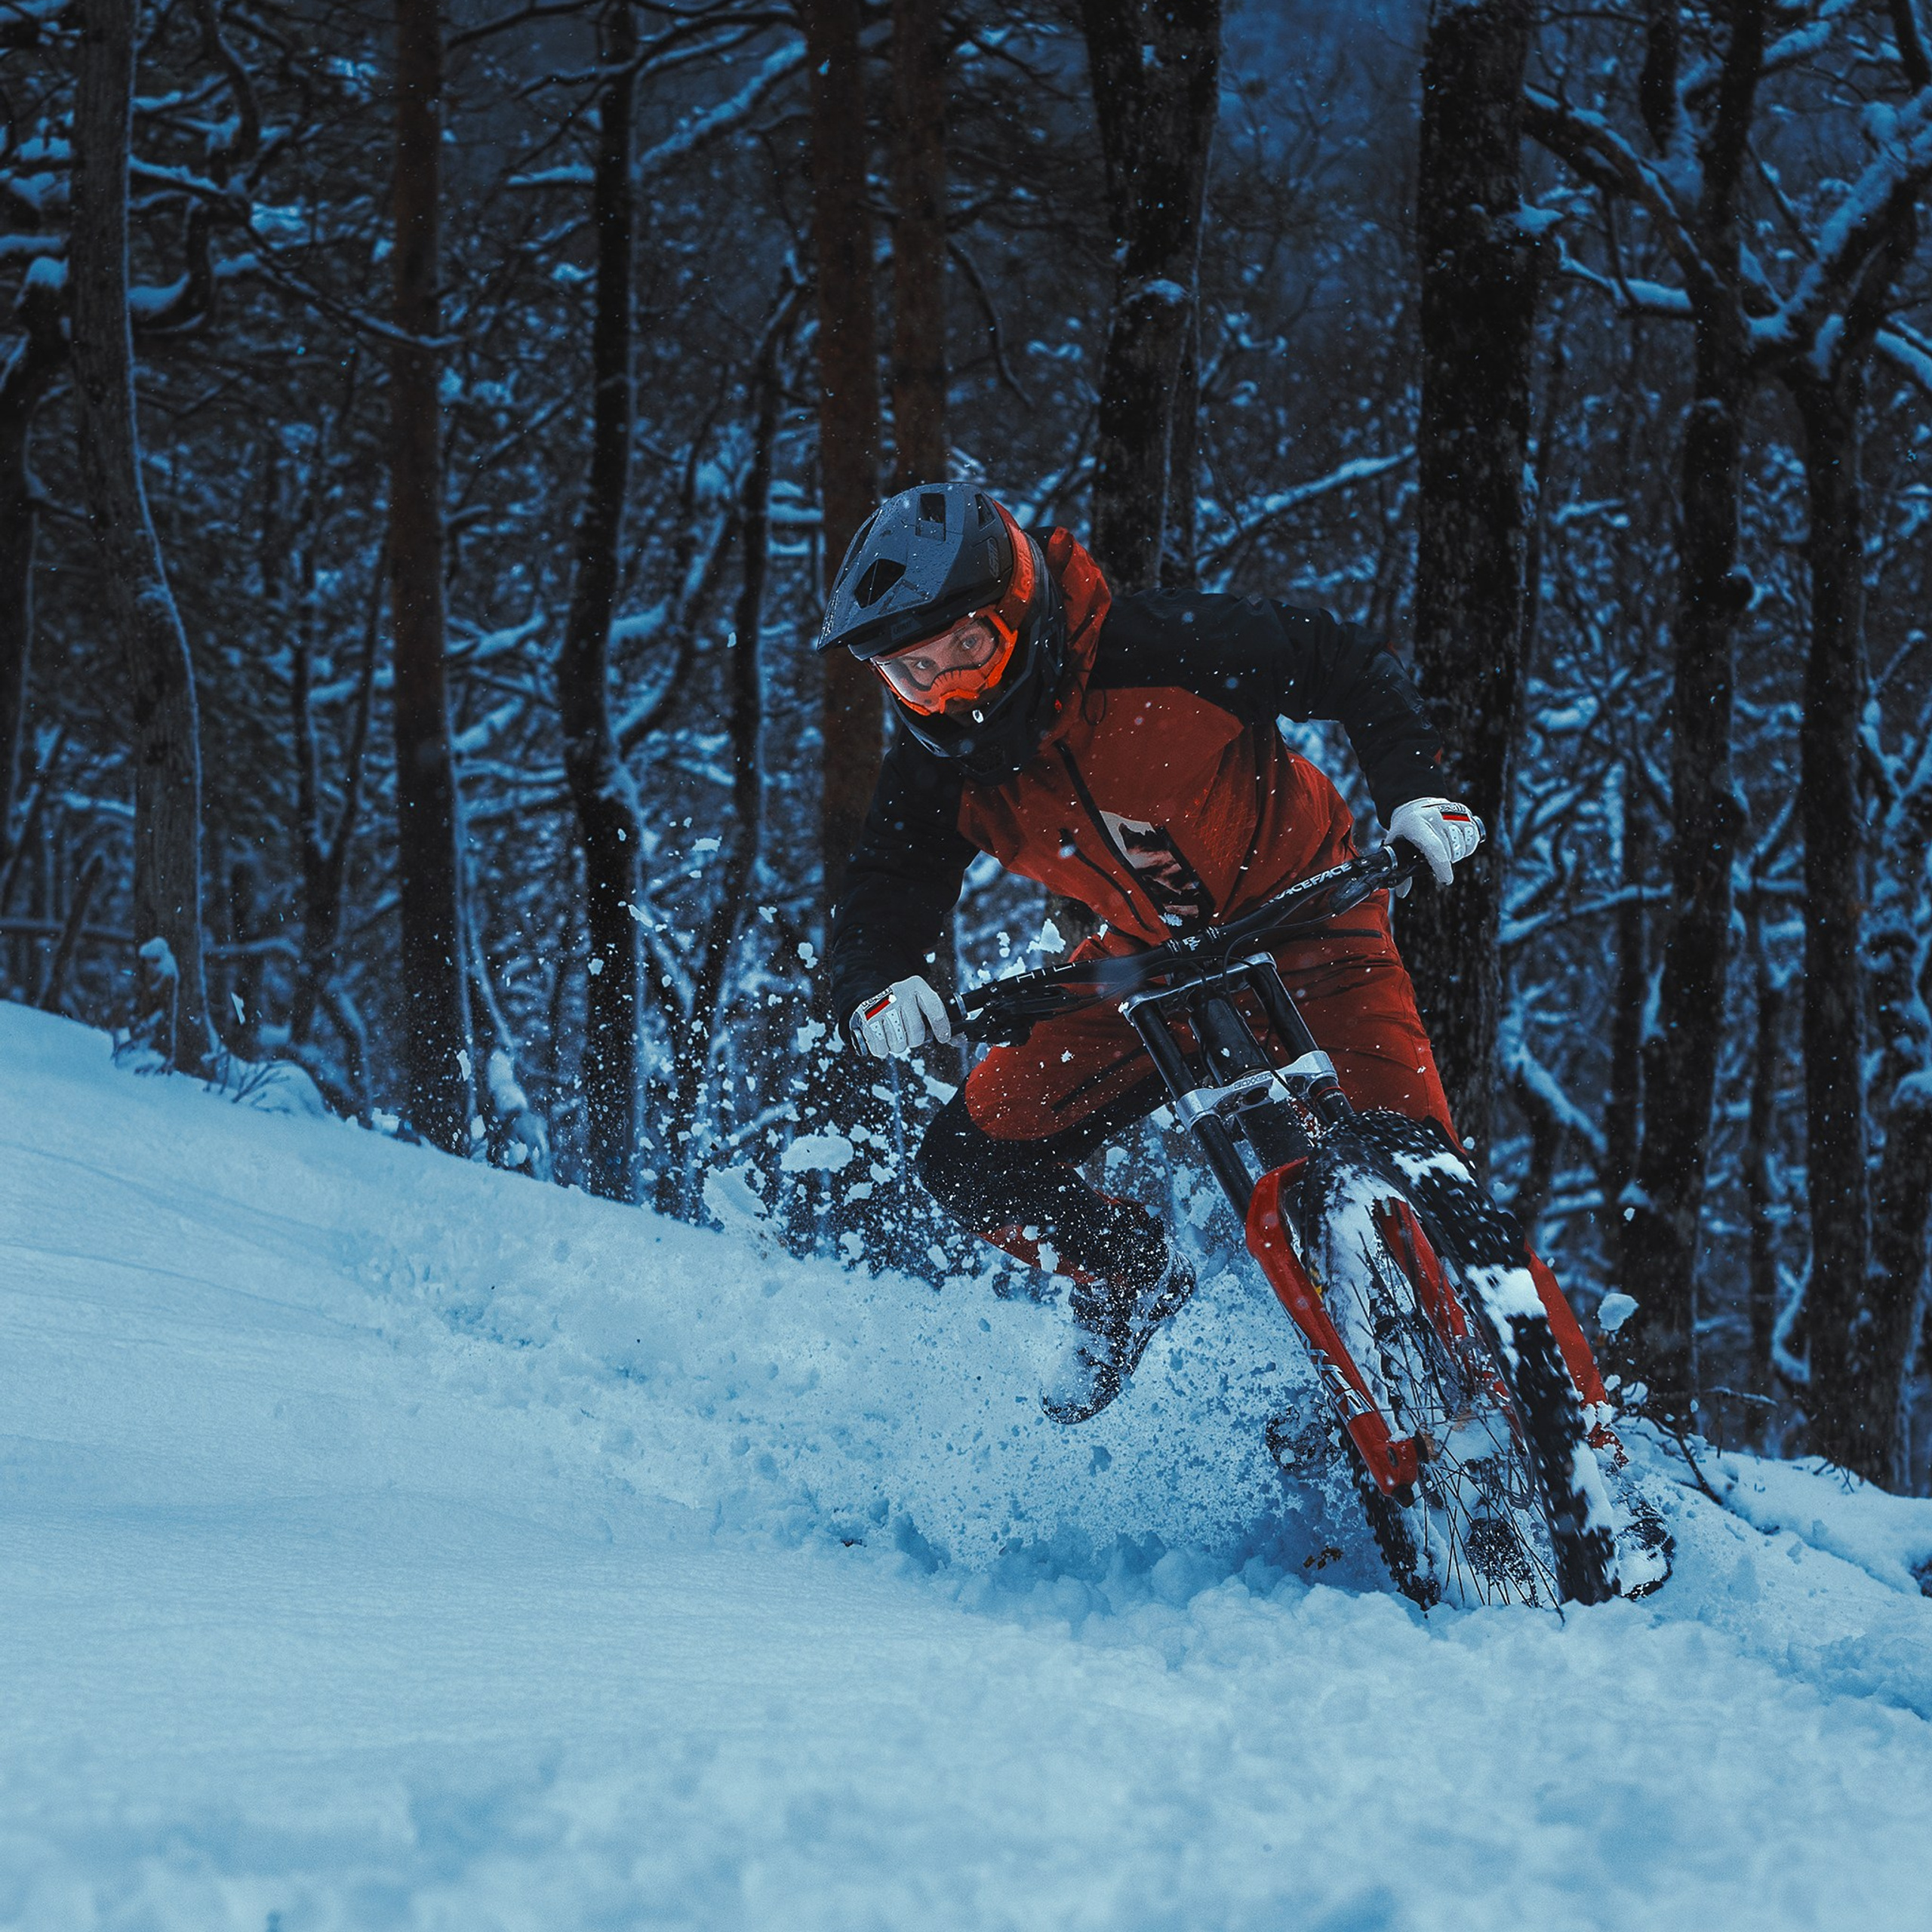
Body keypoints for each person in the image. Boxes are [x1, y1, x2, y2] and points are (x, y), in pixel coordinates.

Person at [822, 481, 1605, 1427]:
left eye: (970, 649)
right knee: (970, 1165)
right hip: (1144, 976)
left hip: (1312, 925)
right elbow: (885, 889)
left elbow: (1340, 661)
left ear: (1020, 607)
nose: (951, 690)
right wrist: (878, 983)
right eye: (913, 673)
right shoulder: (939, 769)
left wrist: (1414, 789)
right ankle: (1126, 1275)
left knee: (1425, 1177)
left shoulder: (1160, 647)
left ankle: (1579, 1451)